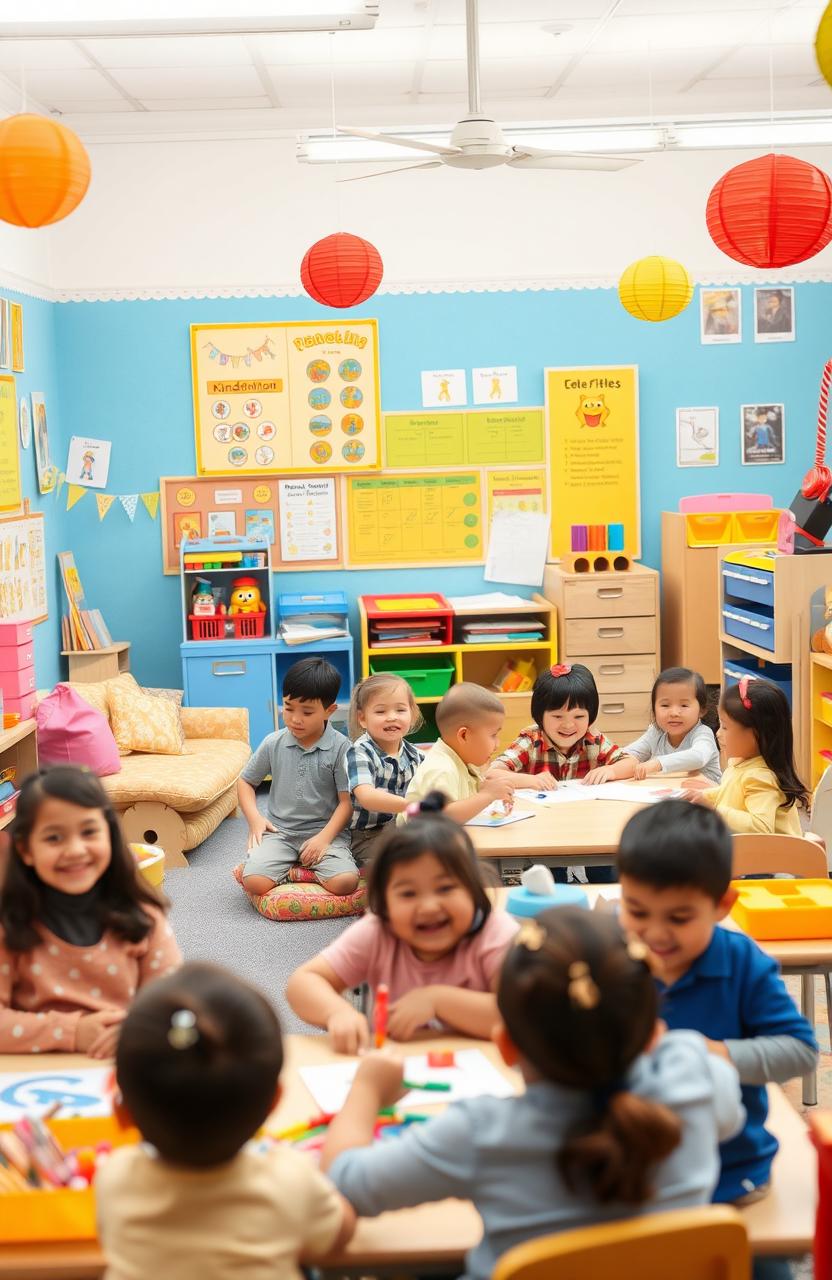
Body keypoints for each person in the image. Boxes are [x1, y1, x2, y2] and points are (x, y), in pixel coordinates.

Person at [320, 907, 744, 1280]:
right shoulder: (695, 1076)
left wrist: (367, 1088)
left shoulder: (479, 1133)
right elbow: (729, 1122)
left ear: (504, 1046)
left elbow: (343, 1183)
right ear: (653, 1032)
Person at [97, 962, 355, 1280]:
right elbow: (340, 1232)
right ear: (275, 1102)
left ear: (121, 1112)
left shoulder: (113, 1178)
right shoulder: (291, 1178)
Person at [618, 801, 817, 1211]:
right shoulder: (611, 957)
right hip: (629, 1170)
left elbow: (800, 1051)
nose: (655, 933)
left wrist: (710, 1053)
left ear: (722, 904)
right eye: (637, 912)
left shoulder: (743, 963)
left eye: (679, 917)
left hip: (730, 1170)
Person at [286, 792, 517, 1052]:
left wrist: (437, 1001)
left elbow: (521, 1017)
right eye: (408, 893)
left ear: (474, 890)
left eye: (445, 888)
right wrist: (337, 1013)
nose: (429, 907)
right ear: (383, 904)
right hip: (393, 1077)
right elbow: (303, 983)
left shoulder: (494, 931)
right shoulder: (379, 931)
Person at [0, 766, 180, 1056]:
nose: (75, 849)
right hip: (32, 1082)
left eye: (88, 832)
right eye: (53, 838)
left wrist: (142, 1028)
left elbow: (176, 1007)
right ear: (25, 850)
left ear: (109, 836)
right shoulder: (9, 925)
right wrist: (72, 1032)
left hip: (125, 1071)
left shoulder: (144, 918)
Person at [490, 662, 627, 882]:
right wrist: (530, 779)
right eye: (557, 717)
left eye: (579, 717)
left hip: (589, 830)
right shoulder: (531, 740)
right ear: (540, 716)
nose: (568, 725)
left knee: (607, 872)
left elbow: (630, 762)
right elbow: (493, 773)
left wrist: (610, 770)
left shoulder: (593, 740)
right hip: (541, 835)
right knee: (552, 878)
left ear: (590, 716)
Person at [239, 657, 358, 897]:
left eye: (307, 712)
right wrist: (255, 819)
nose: (295, 718)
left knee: (346, 882)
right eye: (288, 707)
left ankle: (299, 871)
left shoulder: (341, 747)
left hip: (325, 832)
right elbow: (245, 782)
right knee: (253, 882)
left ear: (329, 711)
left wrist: (323, 840)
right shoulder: (273, 742)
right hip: (280, 832)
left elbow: (347, 803)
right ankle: (296, 869)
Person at [685, 678, 808, 835]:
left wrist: (714, 808)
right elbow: (731, 793)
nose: (718, 733)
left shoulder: (760, 777)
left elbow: (761, 827)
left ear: (756, 734)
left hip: (774, 857)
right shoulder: (739, 763)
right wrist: (704, 796)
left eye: (725, 727)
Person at [399, 682, 513, 824]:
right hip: (414, 843)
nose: (498, 744)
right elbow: (439, 817)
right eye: (493, 735)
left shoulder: (463, 761)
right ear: (464, 735)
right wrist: (487, 795)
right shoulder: (441, 768)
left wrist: (489, 791)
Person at [585, 667, 720, 785]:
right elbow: (631, 754)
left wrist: (657, 763)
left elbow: (698, 757)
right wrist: (611, 770)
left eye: (684, 705)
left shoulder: (703, 733)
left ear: (702, 709)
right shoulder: (656, 732)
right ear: (654, 709)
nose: (674, 713)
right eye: (665, 705)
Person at [346, 674, 422, 864]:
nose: (392, 717)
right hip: (367, 836)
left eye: (400, 710)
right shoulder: (359, 753)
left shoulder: (415, 755)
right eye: (381, 712)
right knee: (404, 864)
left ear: (412, 715)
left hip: (402, 827)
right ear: (363, 719)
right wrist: (412, 805)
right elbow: (367, 797)